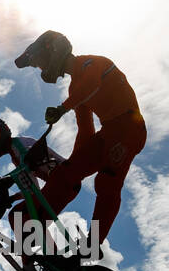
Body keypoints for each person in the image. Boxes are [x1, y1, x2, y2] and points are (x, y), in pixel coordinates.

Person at [13, 30, 146, 252]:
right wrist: (71, 165)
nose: (41, 69)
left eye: (40, 63)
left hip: (129, 128)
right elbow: (85, 132)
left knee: (106, 183)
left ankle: (90, 248)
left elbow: (91, 85)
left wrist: (62, 108)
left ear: (54, 52)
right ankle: (36, 229)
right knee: (64, 174)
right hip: (108, 132)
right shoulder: (75, 88)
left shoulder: (92, 64)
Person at [0, 116, 66, 271]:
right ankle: (58, 266)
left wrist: (7, 192)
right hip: (62, 185)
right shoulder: (16, 148)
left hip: (62, 184)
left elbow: (32, 188)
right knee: (34, 220)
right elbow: (31, 188)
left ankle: (30, 270)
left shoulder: (18, 146)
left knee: (17, 215)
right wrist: (12, 197)